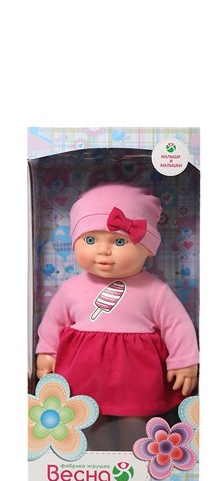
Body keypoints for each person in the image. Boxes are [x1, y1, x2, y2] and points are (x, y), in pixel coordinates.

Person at [36, 183, 197, 449]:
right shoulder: (71, 289)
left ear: (147, 248)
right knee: (87, 421)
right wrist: (47, 351)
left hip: (136, 376)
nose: (103, 251)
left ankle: (136, 461)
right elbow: (53, 322)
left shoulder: (154, 290)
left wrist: (184, 361)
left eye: (119, 241)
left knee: (136, 424)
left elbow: (176, 325)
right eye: (90, 240)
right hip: (83, 375)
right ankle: (94, 463)